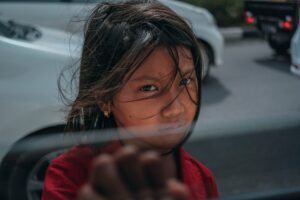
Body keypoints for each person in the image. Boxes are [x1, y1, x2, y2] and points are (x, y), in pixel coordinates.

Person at [42, 0, 219, 199]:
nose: (175, 108)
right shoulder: (68, 179)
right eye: (148, 88)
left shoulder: (202, 178)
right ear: (104, 98)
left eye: (185, 81)